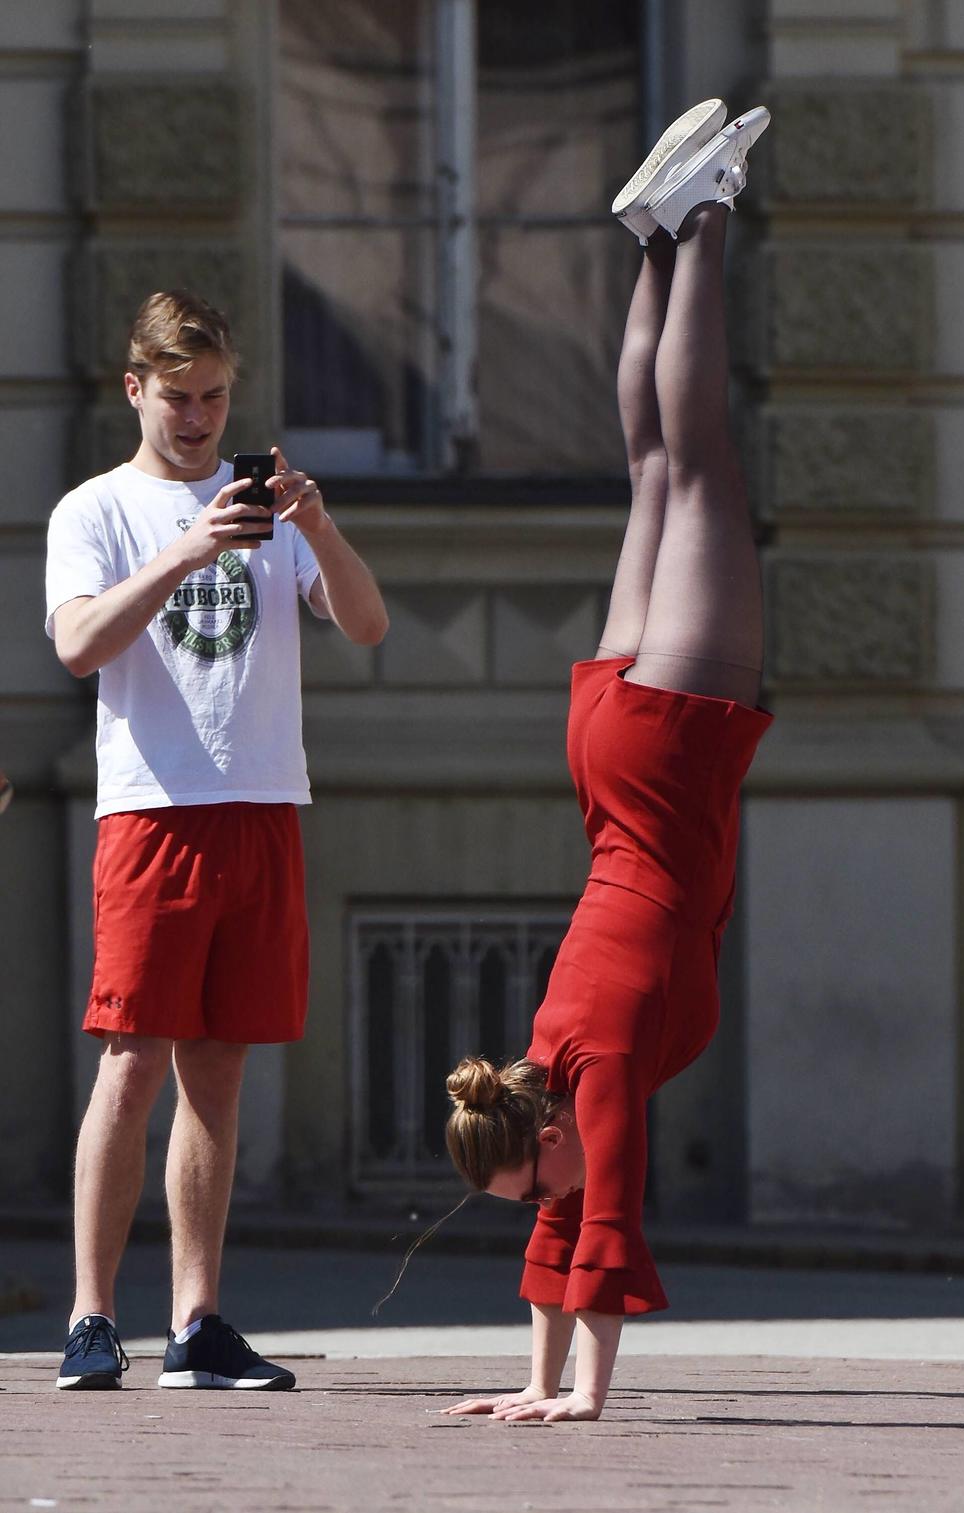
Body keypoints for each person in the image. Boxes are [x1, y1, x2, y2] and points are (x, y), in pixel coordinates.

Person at [441, 101, 771, 1423]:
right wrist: (524, 1383)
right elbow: (557, 1226)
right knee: (649, 471)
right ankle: (651, 234)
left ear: (539, 1133)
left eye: (538, 1173)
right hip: (609, 754)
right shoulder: (546, 1059)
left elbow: (609, 1219)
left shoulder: (605, 1067)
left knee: (696, 471)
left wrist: (582, 1394)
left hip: (667, 745)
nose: (555, 1191)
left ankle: (699, 218)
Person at [45, 289, 388, 1390]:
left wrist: (318, 527)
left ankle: (197, 1321)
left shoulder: (271, 512)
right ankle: (93, 1317)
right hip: (152, 808)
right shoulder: (94, 509)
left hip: (262, 804)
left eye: (216, 399)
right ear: (135, 388)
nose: (198, 420)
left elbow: (369, 626)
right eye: (179, 398)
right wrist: (188, 550)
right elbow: (81, 645)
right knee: (133, 1058)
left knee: (220, 1073)